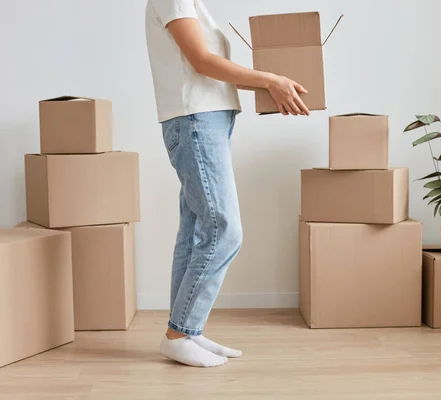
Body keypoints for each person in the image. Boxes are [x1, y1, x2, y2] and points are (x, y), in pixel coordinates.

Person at [145, 0, 310, 368]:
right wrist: (270, 80)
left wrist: (278, 87)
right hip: (194, 121)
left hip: (207, 120)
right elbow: (201, 62)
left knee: (194, 234)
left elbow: (208, 72)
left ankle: (188, 330)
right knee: (224, 230)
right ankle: (178, 334)